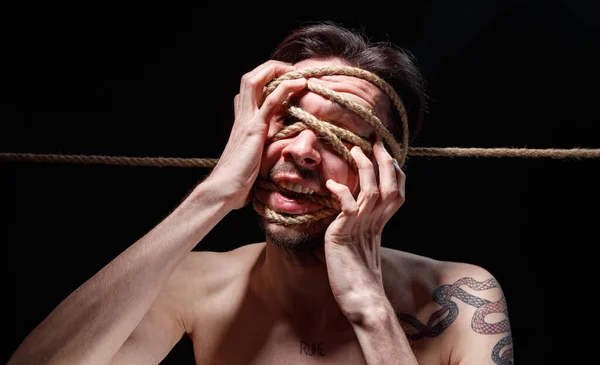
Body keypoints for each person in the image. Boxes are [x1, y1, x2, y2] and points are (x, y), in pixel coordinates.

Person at [7, 21, 513, 365]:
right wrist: (217, 193)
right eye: (288, 122)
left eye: (343, 134)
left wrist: (370, 309)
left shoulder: (461, 298)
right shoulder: (192, 285)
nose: (304, 150)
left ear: (387, 171)